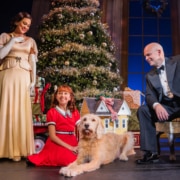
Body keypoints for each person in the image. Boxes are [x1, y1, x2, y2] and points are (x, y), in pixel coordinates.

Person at [0, 12, 37, 161]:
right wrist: (12, 41)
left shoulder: (31, 41)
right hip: (8, 75)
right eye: (23, 23)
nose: (25, 27)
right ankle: (4, 149)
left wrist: (33, 81)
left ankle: (18, 150)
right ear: (17, 22)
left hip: (24, 77)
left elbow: (33, 61)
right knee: (6, 109)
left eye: (28, 25)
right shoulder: (4, 36)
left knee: (21, 111)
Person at [136, 42, 180, 164]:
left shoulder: (177, 61)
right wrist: (157, 105)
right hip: (167, 107)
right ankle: (151, 153)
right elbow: (149, 95)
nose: (146, 58)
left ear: (159, 52)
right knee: (143, 110)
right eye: (145, 56)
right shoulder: (150, 75)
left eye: (148, 55)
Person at [26, 85, 80, 166]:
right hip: (57, 141)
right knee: (68, 160)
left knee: (80, 158)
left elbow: (81, 131)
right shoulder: (52, 112)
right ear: (56, 96)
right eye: (60, 93)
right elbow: (52, 136)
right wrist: (70, 148)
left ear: (70, 97)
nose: (62, 96)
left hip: (72, 140)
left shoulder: (75, 112)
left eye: (66, 93)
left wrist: (79, 146)